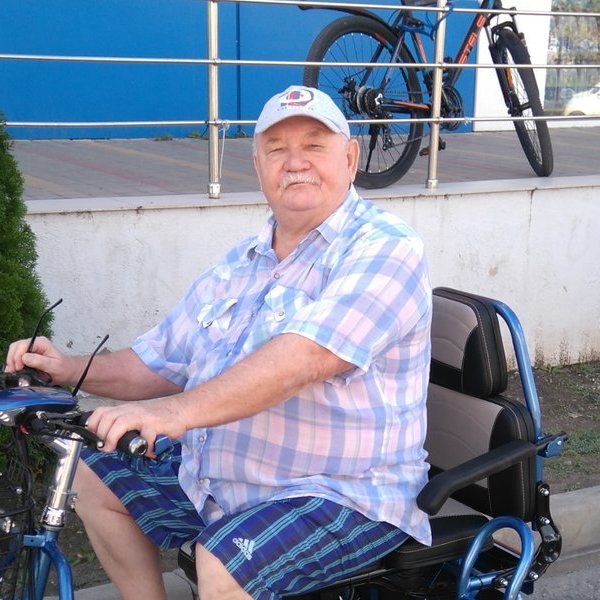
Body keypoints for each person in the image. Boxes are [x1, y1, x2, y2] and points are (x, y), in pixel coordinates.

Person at [6, 85, 432, 600]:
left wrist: (174, 413)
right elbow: (159, 360)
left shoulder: (386, 247)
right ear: (258, 167)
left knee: (222, 563)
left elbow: (306, 357)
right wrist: (69, 369)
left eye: (314, 145)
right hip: (221, 478)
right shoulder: (241, 262)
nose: (295, 162)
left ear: (350, 158)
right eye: (277, 149)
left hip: (341, 491)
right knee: (92, 474)